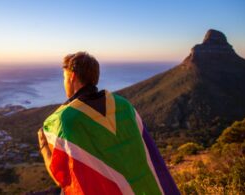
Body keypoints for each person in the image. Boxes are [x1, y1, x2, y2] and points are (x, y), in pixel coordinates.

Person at [37, 52, 179, 195]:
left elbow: (62, 178)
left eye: (64, 77)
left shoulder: (61, 120)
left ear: (72, 76)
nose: (64, 82)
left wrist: (43, 145)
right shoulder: (125, 106)